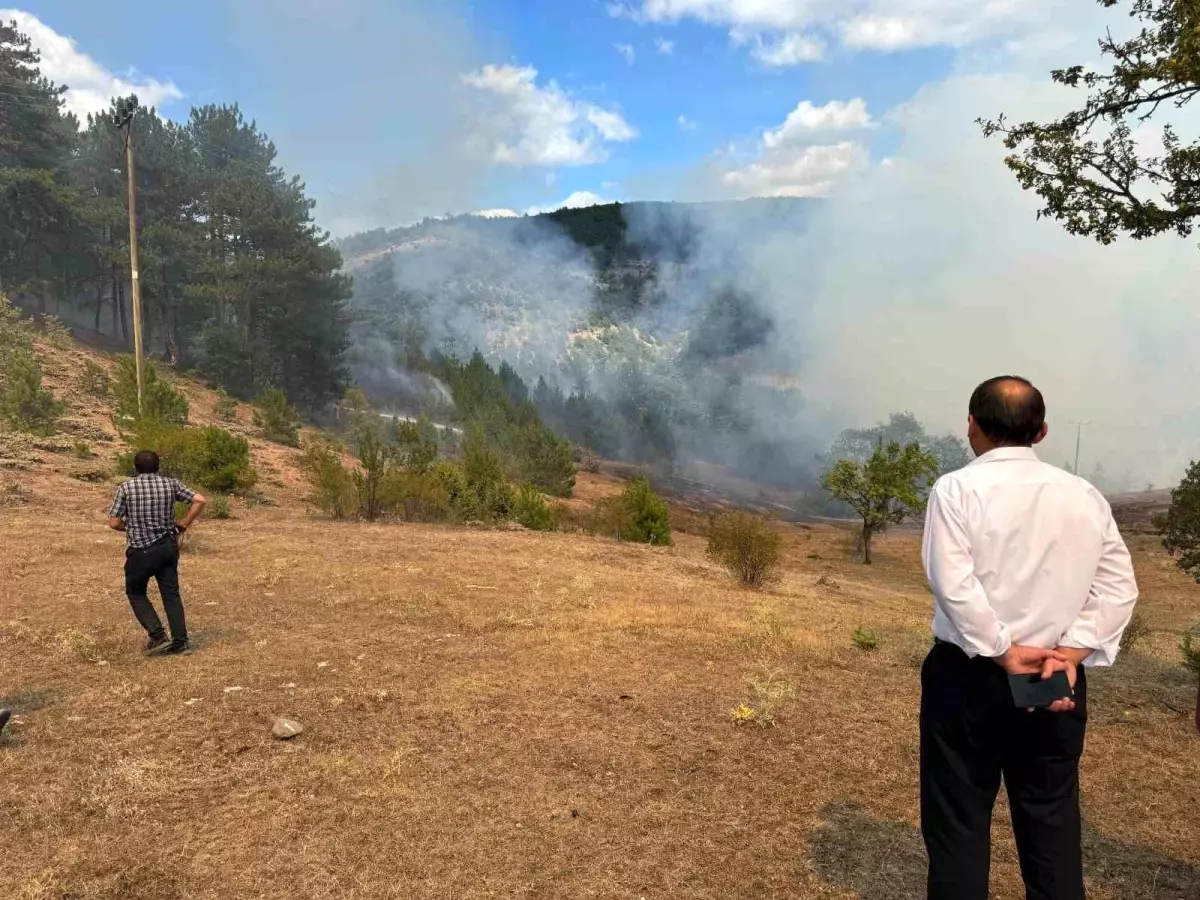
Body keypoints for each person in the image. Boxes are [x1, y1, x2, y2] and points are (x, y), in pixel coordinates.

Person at [920, 376, 1139, 900]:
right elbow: (1118, 587)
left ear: (971, 424)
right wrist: (1072, 651)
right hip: (1055, 677)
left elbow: (953, 582)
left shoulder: (956, 490)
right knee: (1051, 822)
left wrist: (1001, 650)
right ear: (1041, 432)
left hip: (971, 675)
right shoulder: (1084, 496)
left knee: (959, 824)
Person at [107, 450, 207, 655]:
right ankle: (181, 643)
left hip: (141, 550)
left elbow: (114, 521)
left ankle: (158, 635)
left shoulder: (126, 488)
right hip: (168, 547)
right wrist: (184, 524)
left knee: (135, 591)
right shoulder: (171, 484)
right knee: (171, 594)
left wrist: (131, 527)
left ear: (135, 468)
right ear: (158, 466)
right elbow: (200, 499)